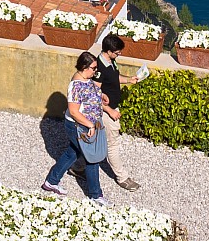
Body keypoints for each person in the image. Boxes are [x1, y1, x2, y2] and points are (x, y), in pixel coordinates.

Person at [41, 52, 109, 201]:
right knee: (92, 158)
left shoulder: (86, 78)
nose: (96, 71)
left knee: (72, 153)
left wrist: (100, 95)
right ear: (84, 67)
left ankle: (51, 181)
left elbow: (89, 92)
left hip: (86, 124)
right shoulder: (76, 85)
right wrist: (90, 125)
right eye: (93, 68)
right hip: (79, 126)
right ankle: (96, 195)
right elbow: (73, 111)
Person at [97, 32, 143, 191]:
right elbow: (94, 93)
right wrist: (110, 111)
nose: (119, 54)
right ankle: (122, 178)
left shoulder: (111, 61)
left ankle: (79, 166)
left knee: (96, 141)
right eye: (117, 52)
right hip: (107, 111)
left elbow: (114, 77)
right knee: (112, 145)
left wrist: (129, 80)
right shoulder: (99, 68)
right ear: (108, 51)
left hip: (111, 108)